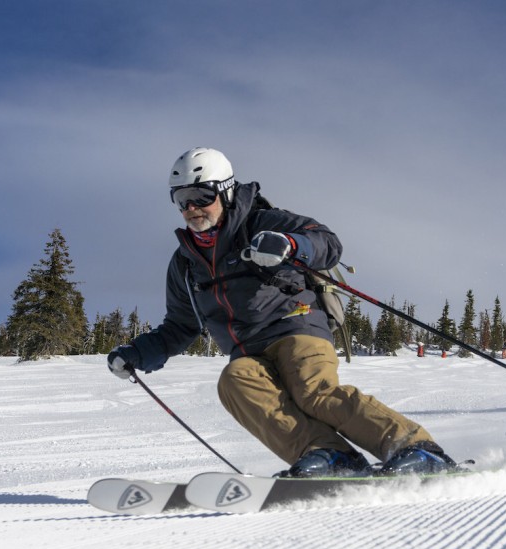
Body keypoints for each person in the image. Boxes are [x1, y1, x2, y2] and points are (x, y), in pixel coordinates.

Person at [108, 147, 456, 477]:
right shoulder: (185, 262)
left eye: (202, 197)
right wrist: (138, 353)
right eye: (182, 200)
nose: (192, 208)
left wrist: (290, 245)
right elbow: (181, 325)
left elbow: (327, 242)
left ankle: (416, 448)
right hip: (247, 350)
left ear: (226, 193)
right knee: (235, 382)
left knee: (312, 390)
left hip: (296, 326)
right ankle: (330, 455)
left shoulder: (261, 222)